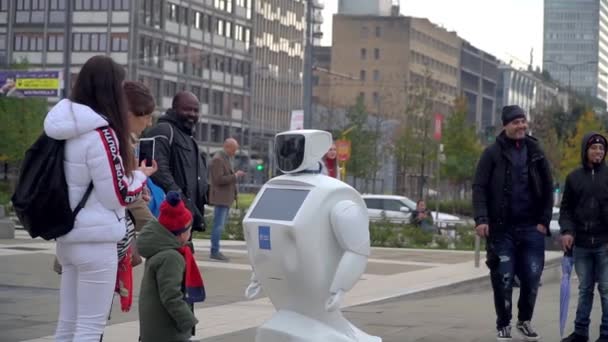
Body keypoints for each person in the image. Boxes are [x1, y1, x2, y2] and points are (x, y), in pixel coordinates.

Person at [44, 55, 156, 342]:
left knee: (66, 326)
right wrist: (140, 178)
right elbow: (116, 195)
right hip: (97, 241)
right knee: (90, 328)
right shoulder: (102, 133)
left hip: (67, 237)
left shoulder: (62, 128)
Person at [472, 105, 553, 341]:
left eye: (523, 121)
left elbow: (548, 187)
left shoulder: (536, 151)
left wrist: (543, 221)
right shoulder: (492, 154)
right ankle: (504, 323)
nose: (521, 126)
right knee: (503, 278)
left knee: (532, 278)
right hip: (501, 229)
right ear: (505, 125)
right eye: (516, 122)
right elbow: (479, 188)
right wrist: (481, 218)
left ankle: (524, 320)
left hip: (532, 228)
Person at [137, 191, 205, 342]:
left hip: (155, 327)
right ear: (181, 234)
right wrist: (187, 320)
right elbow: (171, 296)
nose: (190, 234)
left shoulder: (161, 249)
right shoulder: (171, 257)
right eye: (189, 230)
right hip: (166, 331)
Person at [560, 133, 608, 342]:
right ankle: (580, 332)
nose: (598, 152)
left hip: (605, 243)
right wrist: (567, 231)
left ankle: (606, 334)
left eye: (601, 148)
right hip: (580, 244)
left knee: (606, 289)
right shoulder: (574, 177)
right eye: (594, 148)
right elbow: (566, 210)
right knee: (585, 289)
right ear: (585, 150)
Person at [143, 91, 208, 233]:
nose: (192, 114)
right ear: (174, 109)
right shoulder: (164, 131)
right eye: (187, 109)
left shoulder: (189, 138)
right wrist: (180, 200)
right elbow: (157, 170)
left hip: (183, 219)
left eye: (195, 110)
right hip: (169, 216)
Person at [209, 138, 246, 261]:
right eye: (234, 149)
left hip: (225, 198)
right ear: (227, 147)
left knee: (220, 225)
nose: (235, 152)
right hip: (221, 198)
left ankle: (215, 250)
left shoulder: (225, 158)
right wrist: (235, 176)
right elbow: (218, 179)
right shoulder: (218, 159)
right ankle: (215, 251)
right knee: (218, 225)